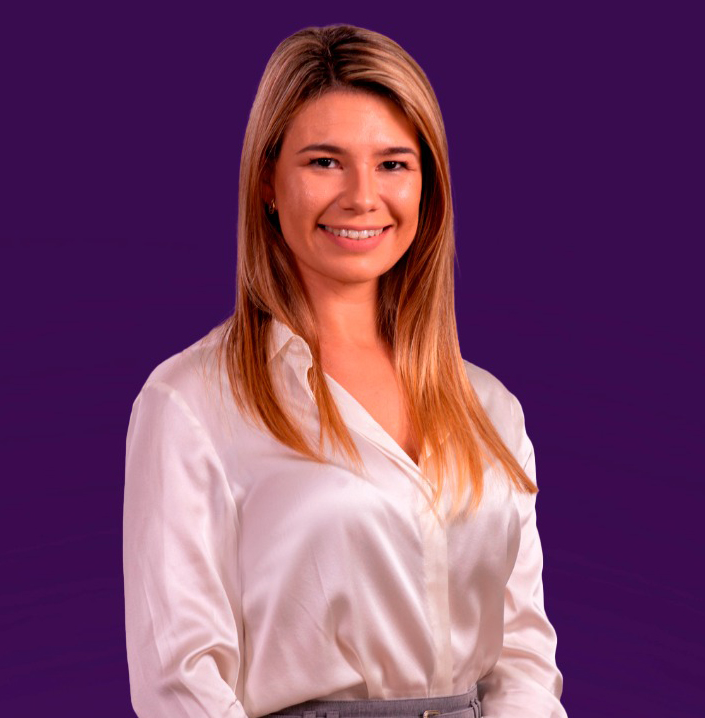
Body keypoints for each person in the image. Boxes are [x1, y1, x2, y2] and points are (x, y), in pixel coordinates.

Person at [123, 23, 567, 718]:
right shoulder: (193, 404)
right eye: (325, 161)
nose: (362, 197)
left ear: (427, 185)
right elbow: (181, 683)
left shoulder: (489, 407)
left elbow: (522, 655)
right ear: (267, 181)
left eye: (393, 164)